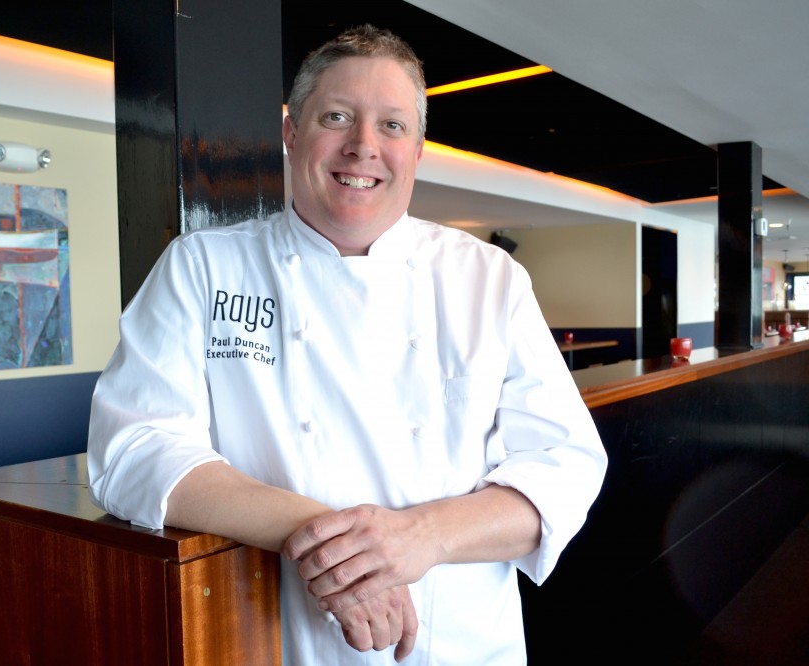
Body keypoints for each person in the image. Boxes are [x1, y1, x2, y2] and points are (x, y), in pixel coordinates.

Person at [88, 24, 607, 665]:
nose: (363, 146)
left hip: (456, 641)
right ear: (290, 132)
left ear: (417, 150)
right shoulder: (203, 268)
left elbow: (565, 467)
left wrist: (420, 536)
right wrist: (329, 543)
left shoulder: (488, 277)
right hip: (278, 638)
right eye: (336, 117)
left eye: (392, 125)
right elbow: (132, 448)